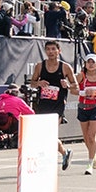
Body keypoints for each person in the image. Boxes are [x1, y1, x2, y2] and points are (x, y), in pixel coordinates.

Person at [30, 40, 78, 170]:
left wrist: (67, 85)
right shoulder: (40, 66)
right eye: (48, 49)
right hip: (43, 103)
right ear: (45, 51)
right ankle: (64, 153)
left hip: (58, 105)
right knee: (43, 134)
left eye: (53, 49)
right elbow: (32, 82)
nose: (51, 52)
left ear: (59, 51)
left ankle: (45, 160)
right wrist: (38, 84)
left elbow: (76, 86)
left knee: (49, 133)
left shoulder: (65, 67)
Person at [76, 53, 96, 174]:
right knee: (86, 138)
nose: (90, 64)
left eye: (92, 62)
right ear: (84, 64)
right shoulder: (81, 76)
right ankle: (94, 153)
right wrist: (83, 93)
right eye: (88, 62)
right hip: (83, 107)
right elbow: (73, 88)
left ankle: (90, 164)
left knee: (91, 136)